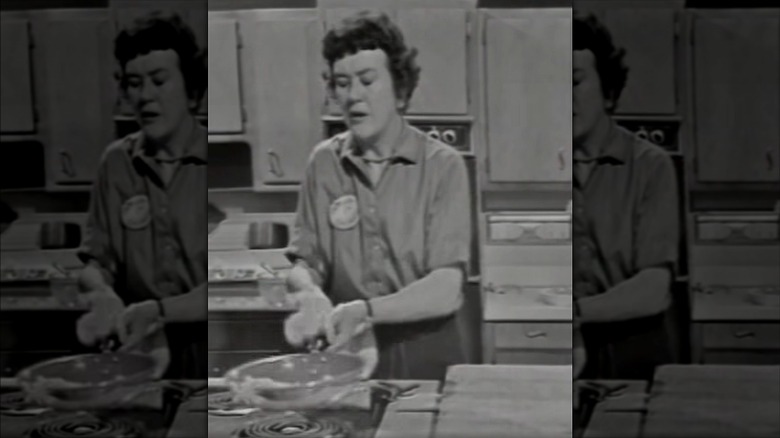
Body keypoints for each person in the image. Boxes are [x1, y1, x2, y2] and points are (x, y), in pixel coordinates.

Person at [283, 11, 471, 381]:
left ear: (400, 89)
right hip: (346, 354)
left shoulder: (443, 166)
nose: (353, 95)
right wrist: (309, 293)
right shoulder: (323, 164)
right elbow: (305, 263)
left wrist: (366, 311)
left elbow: (447, 288)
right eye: (342, 83)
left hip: (426, 354)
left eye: (367, 81)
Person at [76, 11, 207, 379]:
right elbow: (96, 263)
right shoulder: (116, 163)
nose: (146, 95)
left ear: (190, 89)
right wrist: (102, 294)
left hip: (204, 351)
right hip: (137, 354)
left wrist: (161, 311)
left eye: (159, 81)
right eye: (135, 83)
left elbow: (224, 289)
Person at [572, 12, 680, 380]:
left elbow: (654, 288)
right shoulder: (541, 171)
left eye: (574, 82)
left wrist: (572, 313)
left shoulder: (651, 166)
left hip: (634, 348)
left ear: (608, 92)